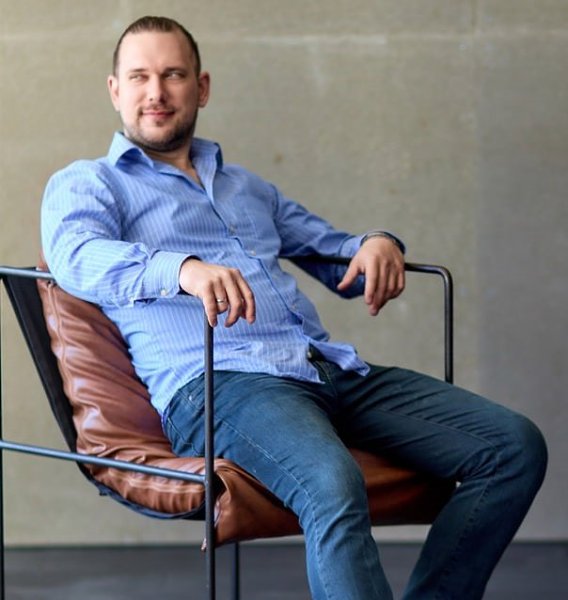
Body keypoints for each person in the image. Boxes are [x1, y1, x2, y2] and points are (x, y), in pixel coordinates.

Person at [41, 16, 547, 600]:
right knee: (331, 483)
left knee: (513, 447)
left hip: (323, 369)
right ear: (115, 90)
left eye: (173, 75)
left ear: (201, 88)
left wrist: (376, 243)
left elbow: (338, 256)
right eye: (139, 77)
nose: (156, 92)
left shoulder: (245, 187)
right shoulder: (91, 182)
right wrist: (181, 268)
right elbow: (75, 256)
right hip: (221, 385)